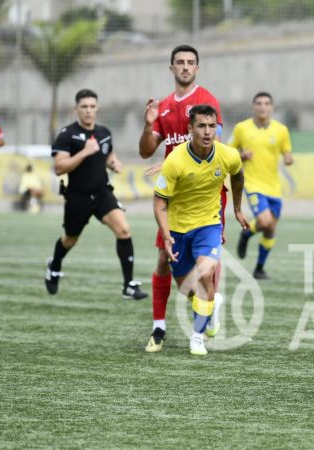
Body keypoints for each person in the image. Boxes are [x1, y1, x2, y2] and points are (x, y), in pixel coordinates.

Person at [139, 44, 224, 352]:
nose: (185, 67)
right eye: (180, 62)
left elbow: (213, 143)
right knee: (165, 258)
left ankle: (207, 310)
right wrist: (149, 127)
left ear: (197, 68)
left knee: (208, 262)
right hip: (173, 195)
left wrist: (171, 160)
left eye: (190, 62)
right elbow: (146, 151)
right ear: (171, 67)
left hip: (205, 192)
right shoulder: (162, 107)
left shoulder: (206, 101)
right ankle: (160, 327)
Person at [154, 104, 249, 355]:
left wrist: (237, 209)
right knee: (188, 288)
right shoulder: (174, 161)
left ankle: (197, 336)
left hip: (208, 225)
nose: (207, 132)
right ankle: (211, 307)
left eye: (212, 126)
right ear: (190, 129)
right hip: (177, 229)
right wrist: (165, 234)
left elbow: (238, 177)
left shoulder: (228, 155)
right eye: (201, 126)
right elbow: (160, 201)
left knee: (206, 273)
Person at [45, 89, 147, 300]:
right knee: (70, 240)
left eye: (92, 106)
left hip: (102, 193)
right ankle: (54, 266)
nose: (88, 111)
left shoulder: (104, 132)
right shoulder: (67, 134)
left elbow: (108, 153)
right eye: (84, 107)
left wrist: (113, 162)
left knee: (124, 230)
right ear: (76, 109)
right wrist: (84, 151)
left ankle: (128, 285)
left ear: (97, 108)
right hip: (77, 197)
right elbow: (59, 168)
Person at [231, 92, 293, 279]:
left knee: (270, 229)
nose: (262, 107)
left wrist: (289, 158)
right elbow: (228, 151)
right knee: (265, 222)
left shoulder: (281, 130)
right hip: (252, 184)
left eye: (266, 103)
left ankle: (259, 269)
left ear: (272, 107)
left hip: (274, 187)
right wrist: (241, 156)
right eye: (259, 103)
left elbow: (287, 153)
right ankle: (246, 234)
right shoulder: (241, 128)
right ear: (253, 107)